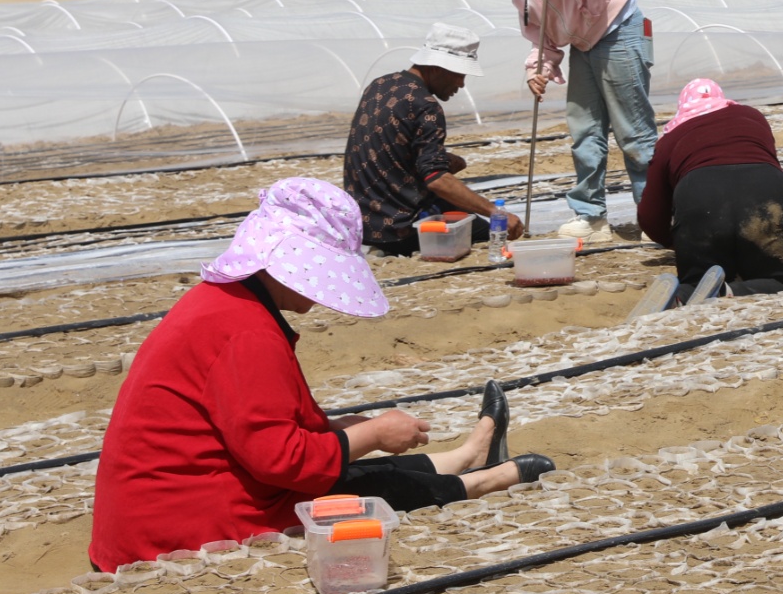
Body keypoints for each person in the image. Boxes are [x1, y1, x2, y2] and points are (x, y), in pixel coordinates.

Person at [89, 178, 553, 571]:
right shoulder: (247, 332)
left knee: (349, 463)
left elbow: (255, 426)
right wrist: (372, 433)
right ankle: (481, 480)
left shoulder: (224, 305)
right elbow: (283, 461)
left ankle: (468, 454)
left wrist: (339, 431)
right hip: (179, 528)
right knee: (358, 490)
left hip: (161, 509)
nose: (317, 292)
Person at [476, 0, 658, 241]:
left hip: (617, 30)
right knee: (584, 129)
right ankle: (591, 217)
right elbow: (539, 30)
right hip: (583, 43)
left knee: (633, 131)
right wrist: (539, 68)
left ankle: (655, 215)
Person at [343, 23, 525, 254]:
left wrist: (446, 160)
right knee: (487, 231)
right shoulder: (425, 105)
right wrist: (495, 212)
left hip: (365, 223)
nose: (461, 83)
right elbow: (437, 180)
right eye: (459, 74)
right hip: (402, 227)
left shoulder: (379, 85)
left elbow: (391, 150)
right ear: (437, 67)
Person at [636, 78, 783, 301]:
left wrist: (676, 241)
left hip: (699, 195)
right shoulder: (752, 117)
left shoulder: (670, 139)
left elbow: (649, 215)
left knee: (699, 282)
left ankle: (684, 294)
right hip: (764, 188)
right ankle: (727, 291)